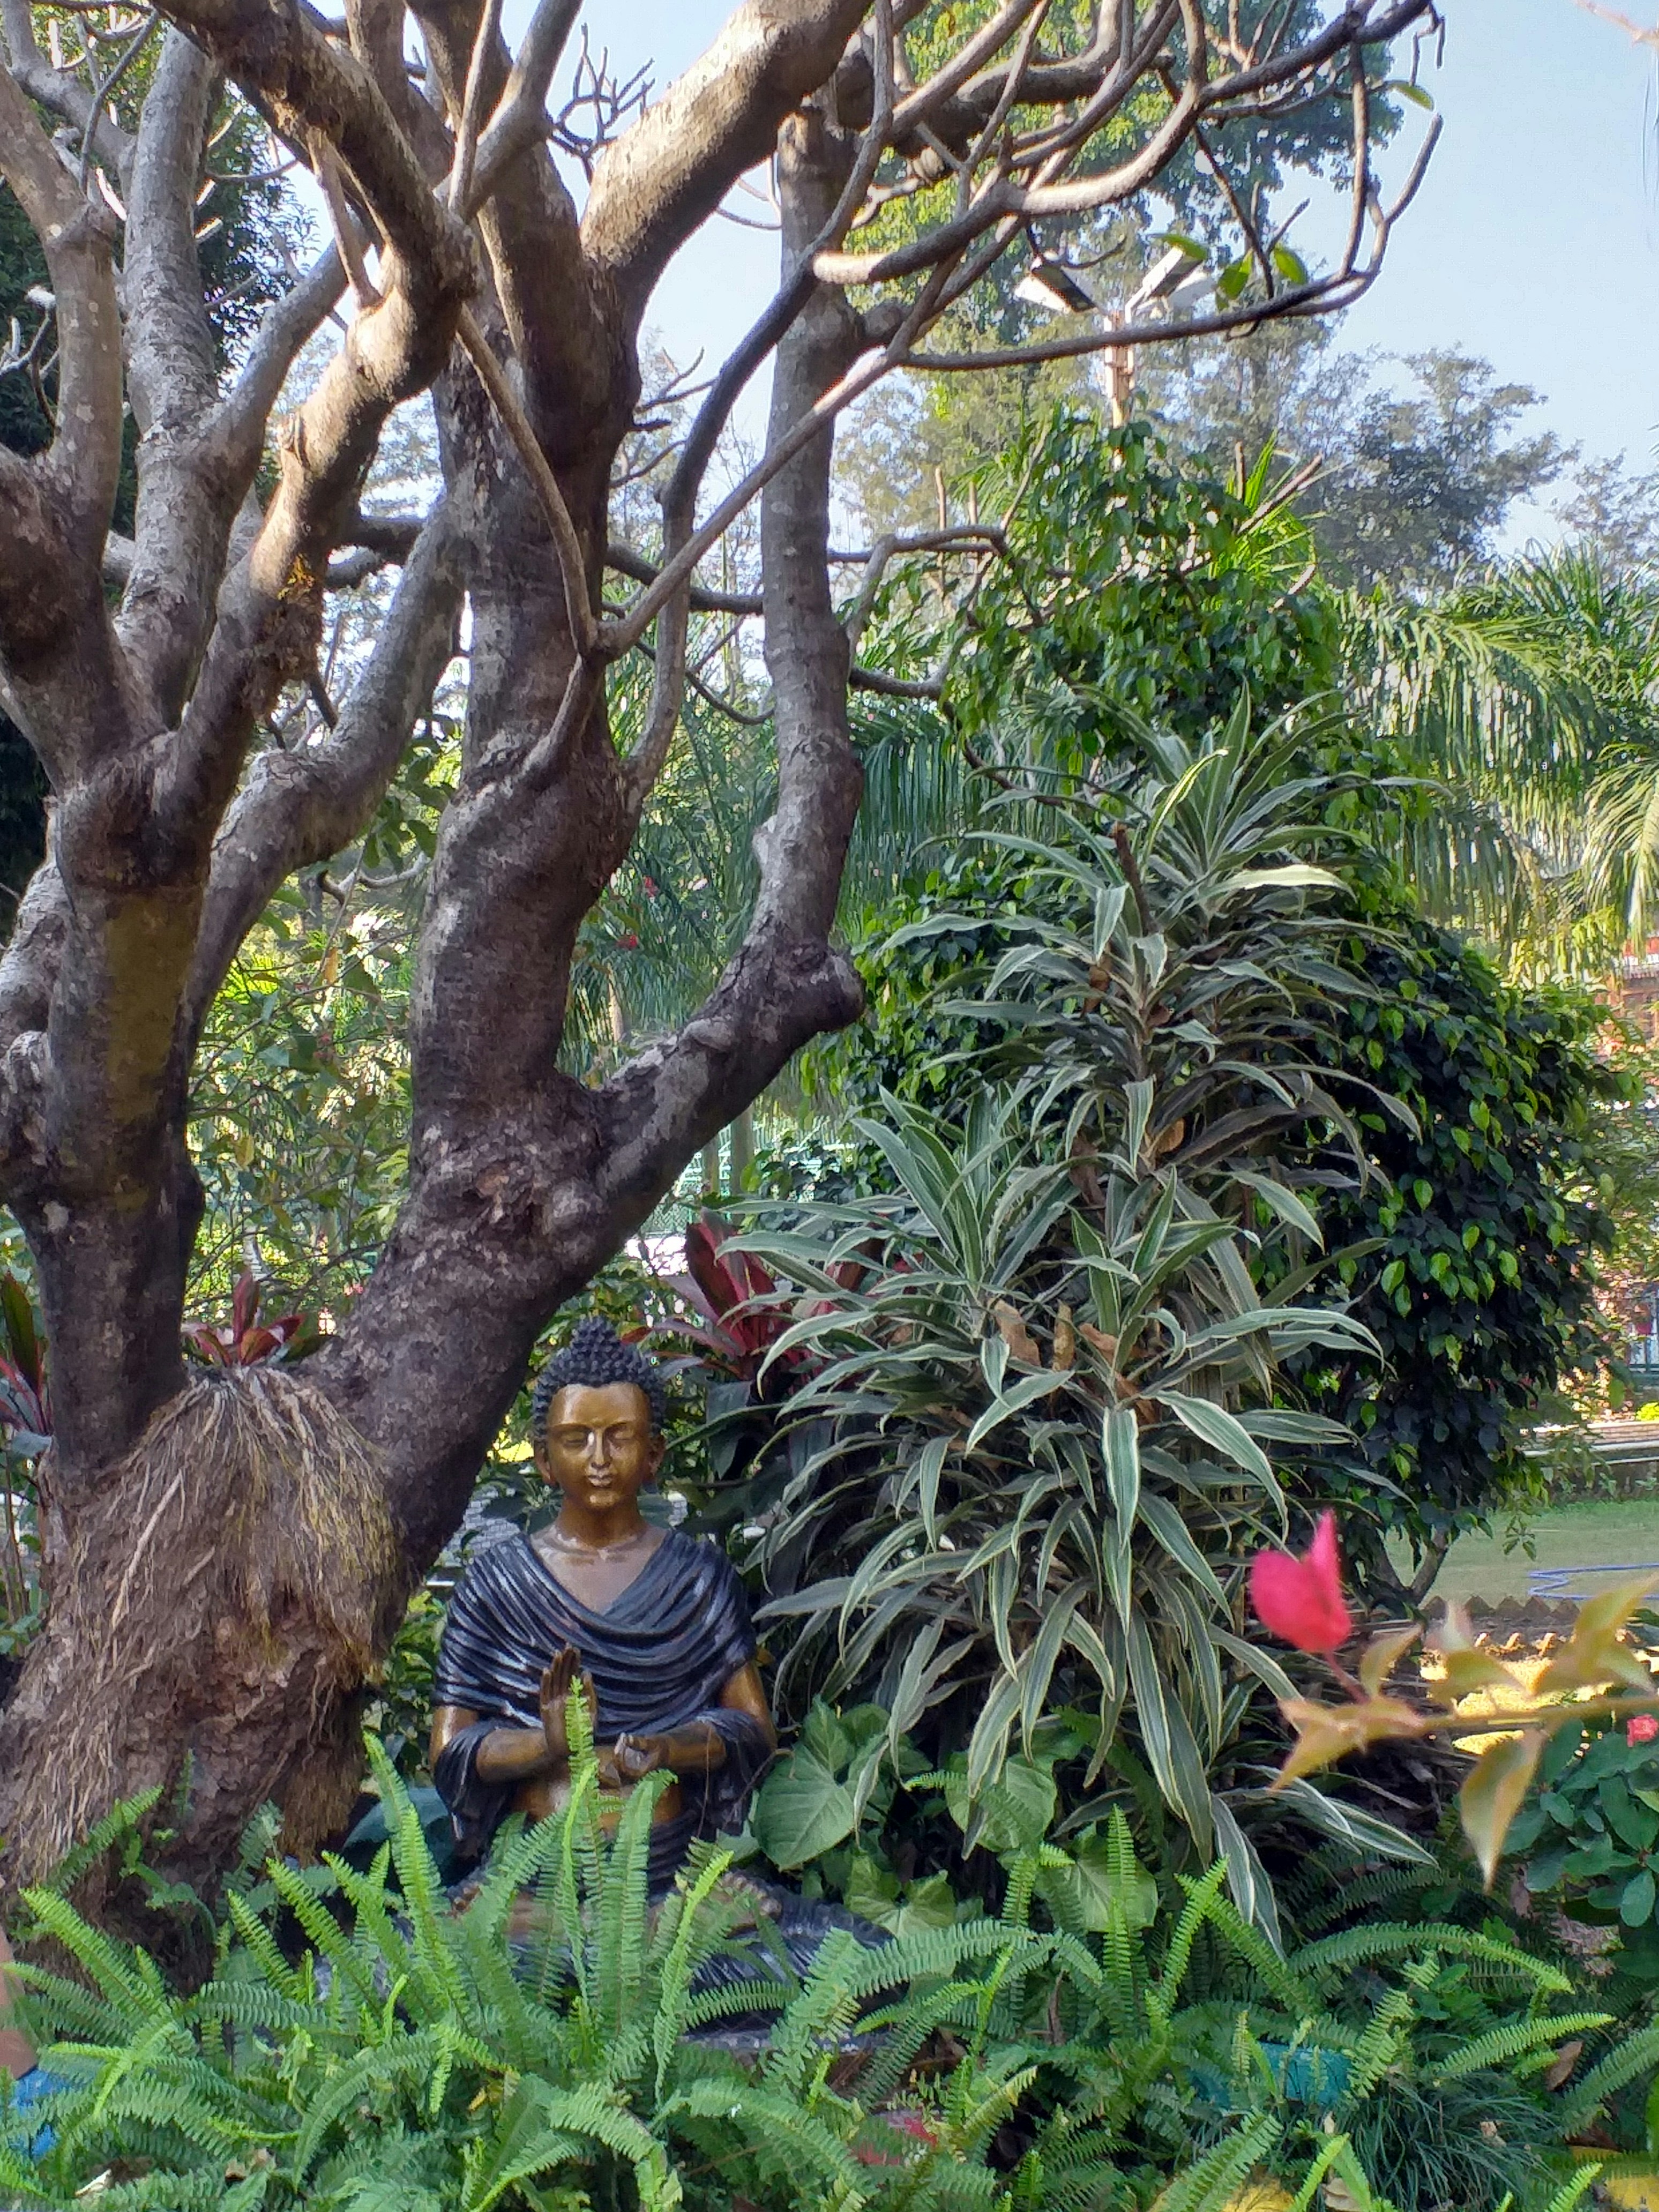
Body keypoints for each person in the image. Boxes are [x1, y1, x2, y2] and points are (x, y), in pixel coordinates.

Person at [430, 1316, 779, 1896]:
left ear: (653, 1453)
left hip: (669, 1873)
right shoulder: (496, 1584)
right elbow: (449, 1750)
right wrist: (547, 1745)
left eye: (620, 1436)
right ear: (544, 1459)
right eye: (576, 1439)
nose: (598, 1458)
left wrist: (667, 1746)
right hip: (533, 1878)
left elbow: (752, 1729)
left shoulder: (698, 1578)